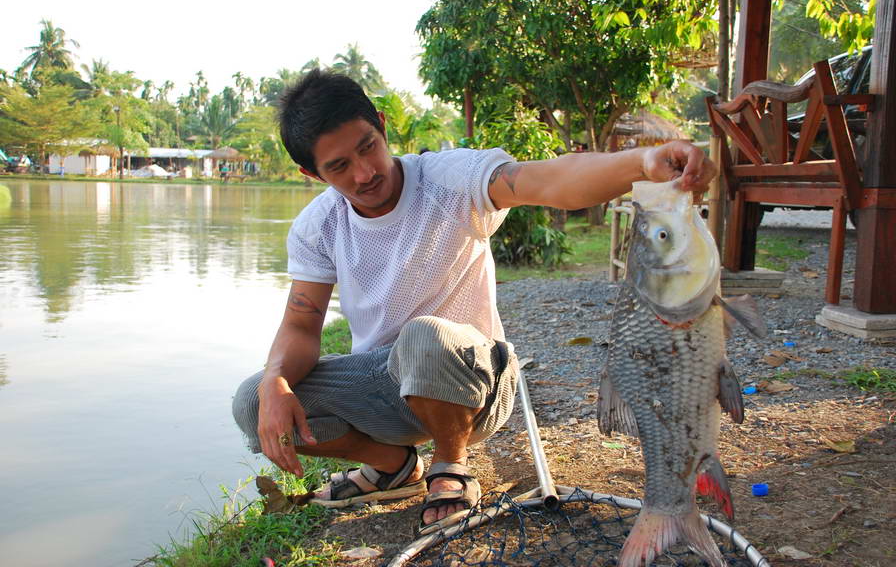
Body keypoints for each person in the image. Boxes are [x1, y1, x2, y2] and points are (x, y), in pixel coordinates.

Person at [232, 69, 717, 533]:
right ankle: (393, 466)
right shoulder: (319, 225)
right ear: (311, 173)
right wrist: (277, 379)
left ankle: (452, 464)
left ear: (380, 124)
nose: (364, 173)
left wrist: (642, 164)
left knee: (425, 335)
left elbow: (550, 180)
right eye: (339, 166)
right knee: (253, 400)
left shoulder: (449, 177)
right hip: (387, 386)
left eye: (368, 148)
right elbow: (301, 324)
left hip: (476, 383)